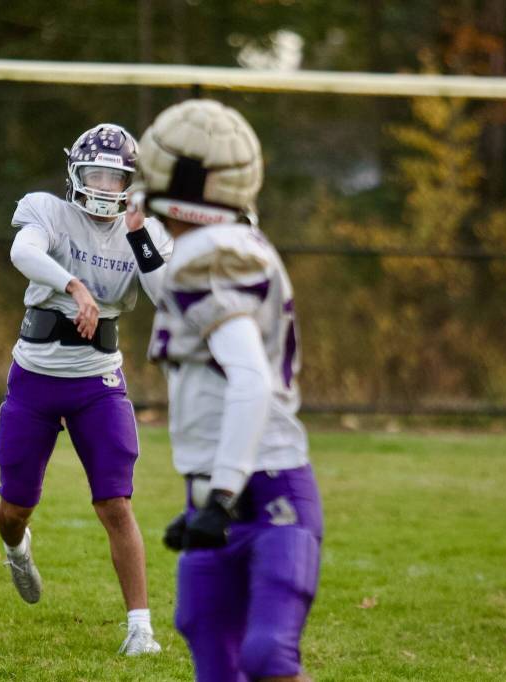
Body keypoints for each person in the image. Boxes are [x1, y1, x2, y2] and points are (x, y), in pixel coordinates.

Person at [135, 99, 323, 681]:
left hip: (267, 493)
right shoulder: (223, 247)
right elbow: (172, 291)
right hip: (217, 493)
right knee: (211, 649)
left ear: (184, 177)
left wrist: (219, 497)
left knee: (268, 656)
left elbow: (250, 377)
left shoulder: (213, 254)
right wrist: (140, 233)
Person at [0, 122, 172, 656]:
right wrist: (72, 284)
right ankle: (18, 547)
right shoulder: (47, 210)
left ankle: (141, 629)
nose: (101, 185)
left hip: (98, 382)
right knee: (13, 508)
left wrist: (139, 235)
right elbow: (23, 254)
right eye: (93, 172)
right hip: (35, 378)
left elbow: (166, 296)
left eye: (113, 177)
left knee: (116, 502)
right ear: (74, 172)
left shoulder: (145, 229)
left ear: (129, 184)